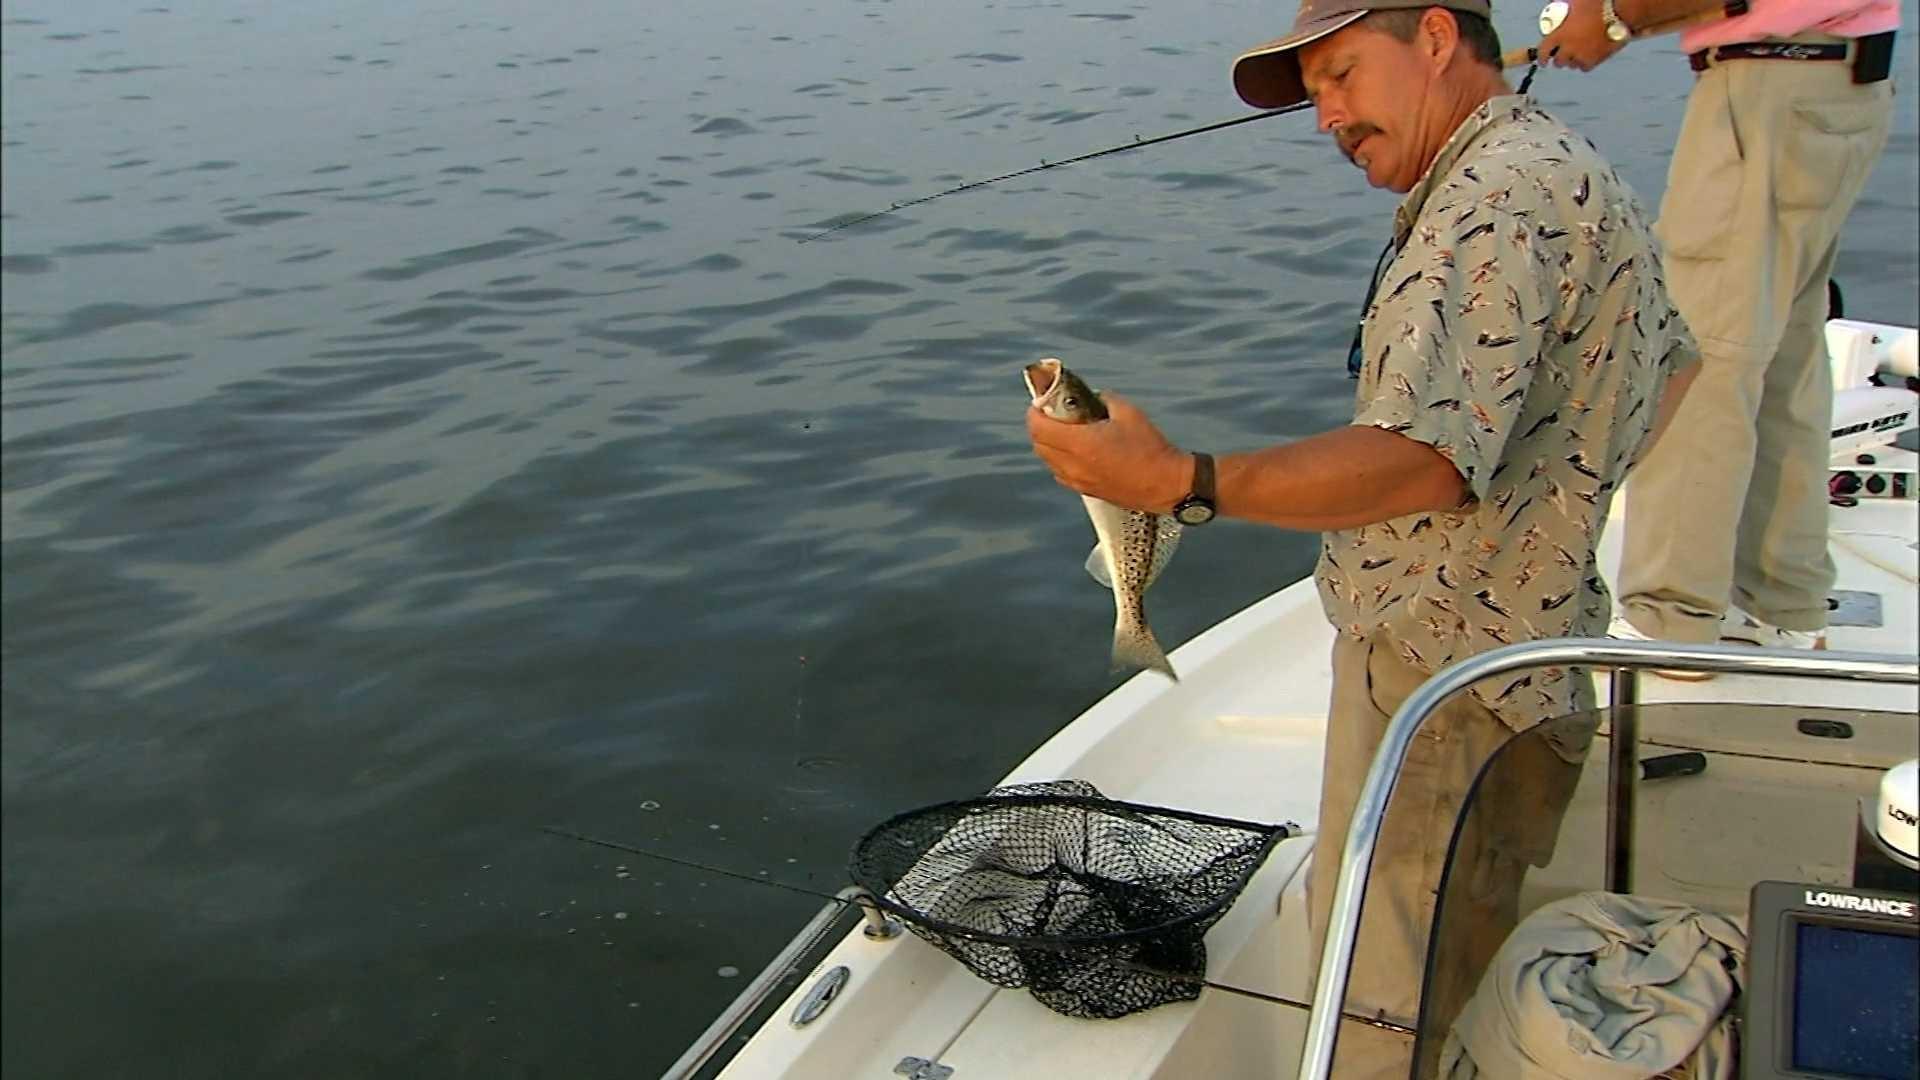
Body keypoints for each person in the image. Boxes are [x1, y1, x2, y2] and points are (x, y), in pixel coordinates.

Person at [1025, 1, 1700, 1074]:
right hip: (1534, 661)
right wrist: (1553, 522)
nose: (1327, 116)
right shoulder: (1560, 165)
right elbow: (1677, 370)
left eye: (1341, 73)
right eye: (1315, 95)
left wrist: (1174, 482)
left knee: (1382, 1007)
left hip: (1444, 689)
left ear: (1436, 37)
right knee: (1452, 969)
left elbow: (1423, 459)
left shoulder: (1487, 203)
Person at [1538, 0, 1897, 659]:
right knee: (1786, 352)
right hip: (1838, 84)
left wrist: (1613, 18)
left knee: (1701, 357)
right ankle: (1784, 603)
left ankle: (1669, 620)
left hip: (1767, 88)